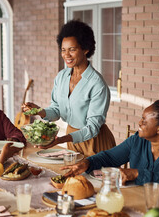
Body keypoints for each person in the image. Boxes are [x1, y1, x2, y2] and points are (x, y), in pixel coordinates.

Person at [22, 19, 115, 157]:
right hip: (72, 138)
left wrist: (61, 140)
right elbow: (56, 110)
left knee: (92, 178)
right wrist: (38, 111)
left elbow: (92, 128)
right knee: (74, 178)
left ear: (85, 49)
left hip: (96, 143)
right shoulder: (61, 77)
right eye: (63, 50)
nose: (66, 55)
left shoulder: (97, 84)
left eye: (72, 49)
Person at [62, 99, 159, 190]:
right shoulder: (137, 141)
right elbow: (109, 157)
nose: (139, 122)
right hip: (137, 199)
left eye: (144, 121)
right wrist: (87, 163)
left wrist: (137, 174)